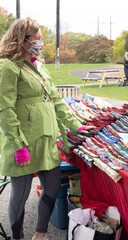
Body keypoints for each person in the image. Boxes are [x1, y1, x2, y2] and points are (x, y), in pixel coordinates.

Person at [0, 19, 94, 240]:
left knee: (51, 188)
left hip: (46, 140)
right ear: (23, 40)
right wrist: (18, 144)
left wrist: (76, 125)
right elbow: (4, 109)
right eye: (38, 38)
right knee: (20, 196)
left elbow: (57, 101)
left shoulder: (38, 66)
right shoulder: (7, 66)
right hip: (23, 143)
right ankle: (18, 238)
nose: (41, 42)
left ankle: (39, 235)